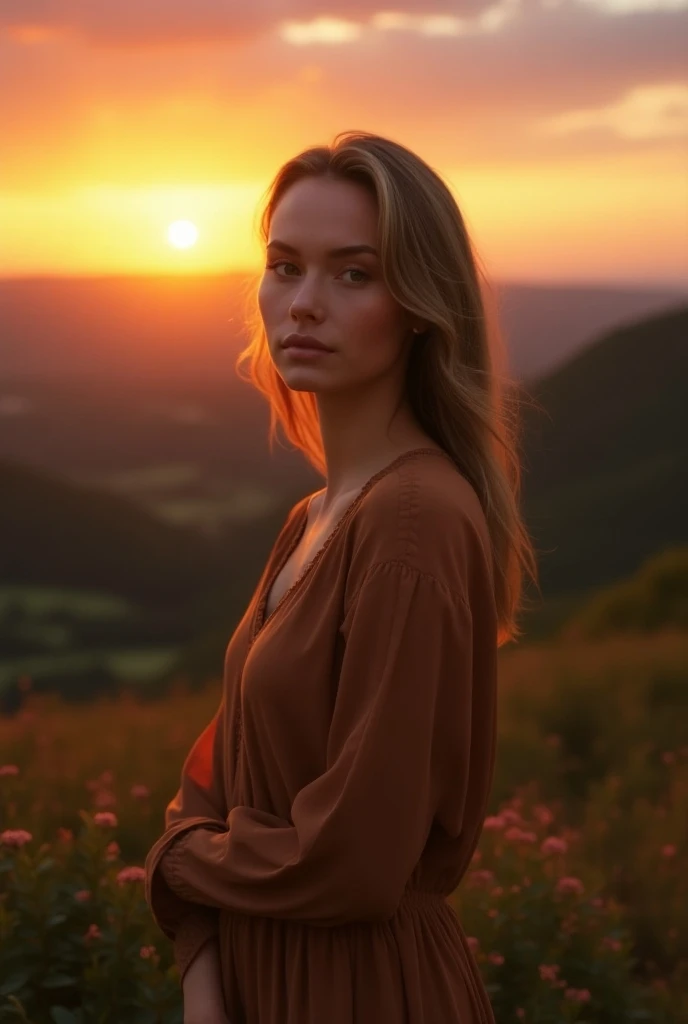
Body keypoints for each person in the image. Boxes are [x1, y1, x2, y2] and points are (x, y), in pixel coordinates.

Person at [144, 130, 539, 1024]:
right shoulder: (312, 520)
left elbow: (355, 862)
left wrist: (179, 866)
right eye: (285, 266)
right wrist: (204, 972)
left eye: (353, 274)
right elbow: (212, 783)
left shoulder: (415, 520)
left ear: (419, 307)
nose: (305, 303)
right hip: (260, 980)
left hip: (360, 991)